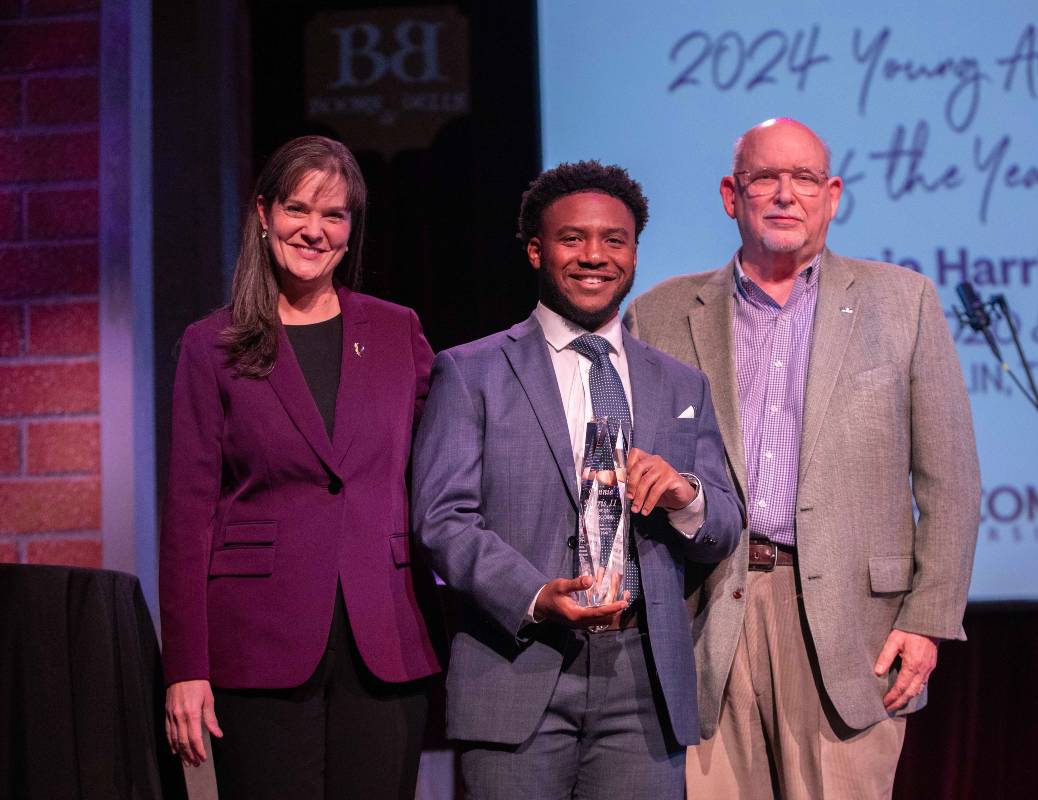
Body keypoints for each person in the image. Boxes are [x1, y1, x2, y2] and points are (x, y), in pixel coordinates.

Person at [624, 117, 982, 799]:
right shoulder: (661, 314)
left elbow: (952, 480)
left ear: (833, 194)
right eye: (766, 178)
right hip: (709, 615)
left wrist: (927, 619)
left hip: (854, 628)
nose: (786, 194)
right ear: (733, 194)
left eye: (805, 179)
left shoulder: (901, 303)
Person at [412, 160, 743, 799]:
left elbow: (725, 521)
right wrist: (535, 595)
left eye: (614, 240)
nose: (595, 256)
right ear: (537, 250)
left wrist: (685, 496)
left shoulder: (680, 383)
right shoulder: (471, 372)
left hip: (642, 681)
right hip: (518, 665)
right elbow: (442, 521)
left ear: (635, 253)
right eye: (572, 239)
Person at [159, 135, 440, 799]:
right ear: (264, 214)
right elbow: (187, 512)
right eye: (297, 209)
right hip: (258, 640)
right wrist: (185, 667)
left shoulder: (398, 332)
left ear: (350, 232)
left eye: (334, 215)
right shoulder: (212, 344)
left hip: (385, 633)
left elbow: (452, 455)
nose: (314, 230)